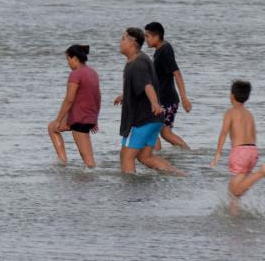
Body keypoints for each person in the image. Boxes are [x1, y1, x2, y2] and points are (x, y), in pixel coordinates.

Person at [114, 28, 183, 175]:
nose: (120, 41)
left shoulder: (136, 63)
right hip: (154, 119)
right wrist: (125, 95)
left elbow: (147, 85)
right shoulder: (142, 58)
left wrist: (154, 103)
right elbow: (143, 84)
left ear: (132, 43)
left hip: (142, 120)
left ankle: (128, 192)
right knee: (145, 156)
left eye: (123, 38)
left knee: (126, 156)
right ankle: (179, 174)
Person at [210, 80, 265, 212]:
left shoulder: (231, 112)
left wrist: (217, 154)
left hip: (239, 152)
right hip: (252, 151)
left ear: (232, 95)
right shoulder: (249, 114)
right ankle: (234, 217)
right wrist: (251, 155)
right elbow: (253, 135)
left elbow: (223, 133)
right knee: (233, 190)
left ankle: (261, 172)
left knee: (235, 191)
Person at [47, 44, 99, 167]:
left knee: (88, 159)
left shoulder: (75, 74)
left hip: (79, 118)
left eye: (68, 59)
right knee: (52, 128)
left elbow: (69, 99)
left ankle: (93, 182)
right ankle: (62, 162)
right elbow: (98, 97)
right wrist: (95, 119)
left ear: (74, 58)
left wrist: (58, 119)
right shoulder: (93, 73)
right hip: (87, 116)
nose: (68, 63)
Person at [144, 22, 192, 151]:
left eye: (147, 36)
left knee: (152, 130)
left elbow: (177, 73)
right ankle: (190, 154)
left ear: (156, 36)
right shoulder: (161, 50)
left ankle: (155, 159)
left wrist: (184, 98)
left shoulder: (165, 51)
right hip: (168, 100)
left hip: (166, 101)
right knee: (165, 133)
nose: (145, 39)